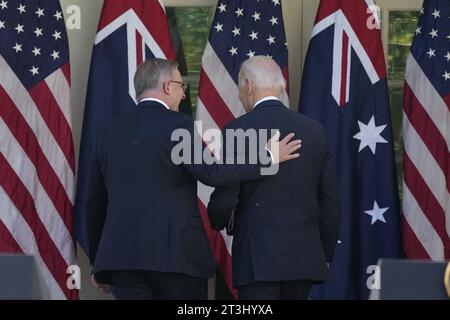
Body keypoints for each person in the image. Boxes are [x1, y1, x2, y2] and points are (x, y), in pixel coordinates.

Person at [84, 58, 301, 300]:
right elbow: (212, 172)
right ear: (167, 87)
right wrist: (268, 156)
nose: (183, 95)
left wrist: (98, 261)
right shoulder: (178, 125)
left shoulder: (108, 131)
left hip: (121, 260)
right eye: (181, 86)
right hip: (174, 257)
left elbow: (94, 202)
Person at [208, 56, 340, 300]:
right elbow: (330, 201)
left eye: (239, 88)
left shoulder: (238, 131)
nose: (239, 96)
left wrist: (216, 219)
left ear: (248, 85)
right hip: (304, 257)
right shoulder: (314, 131)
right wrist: (325, 254)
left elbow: (226, 194)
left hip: (257, 257)